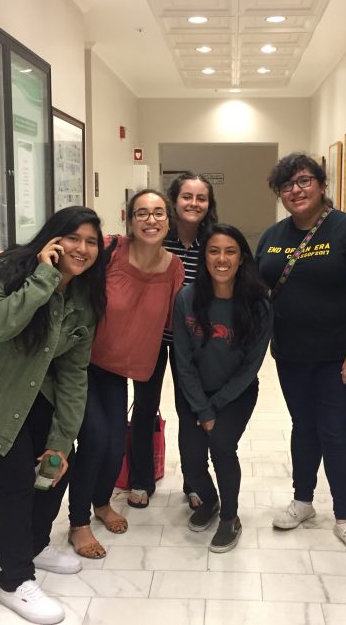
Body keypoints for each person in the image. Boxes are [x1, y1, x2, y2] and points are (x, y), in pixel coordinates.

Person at [0, 206, 106, 625]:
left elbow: (73, 372)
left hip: (30, 389)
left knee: (57, 463)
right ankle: (14, 580)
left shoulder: (84, 297)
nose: (82, 249)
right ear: (52, 239)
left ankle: (33, 544)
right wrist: (44, 277)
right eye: (74, 238)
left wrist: (62, 441)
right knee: (13, 481)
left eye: (92, 242)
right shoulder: (8, 270)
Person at [256, 152, 346, 558]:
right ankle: (304, 502)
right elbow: (258, 292)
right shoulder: (273, 236)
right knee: (303, 427)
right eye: (287, 185)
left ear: (322, 185)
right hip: (291, 355)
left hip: (337, 357)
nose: (296, 190)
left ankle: (345, 518)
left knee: (336, 431)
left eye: (304, 181)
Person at [67, 189, 184, 559]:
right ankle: (77, 523)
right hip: (82, 362)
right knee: (96, 440)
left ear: (169, 220)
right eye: (142, 213)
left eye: (159, 213)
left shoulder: (174, 267)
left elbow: (175, 324)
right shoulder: (109, 250)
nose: (151, 220)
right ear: (130, 220)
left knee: (117, 443)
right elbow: (63, 253)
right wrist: (13, 258)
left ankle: (101, 503)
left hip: (121, 369)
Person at [173, 224, 273, 552]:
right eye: (214, 251)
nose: (221, 258)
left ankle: (230, 517)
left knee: (221, 447)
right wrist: (202, 408)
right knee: (190, 462)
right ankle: (211, 500)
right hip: (195, 393)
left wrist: (216, 408)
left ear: (242, 258)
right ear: (204, 257)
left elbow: (251, 366)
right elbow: (182, 361)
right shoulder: (187, 298)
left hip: (237, 394)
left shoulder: (258, 304)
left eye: (230, 251)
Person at [127, 171, 217, 510]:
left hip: (192, 341)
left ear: (208, 205)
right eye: (186, 197)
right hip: (150, 337)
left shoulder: (212, 241)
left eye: (201, 198)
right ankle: (141, 480)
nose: (193, 203)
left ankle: (194, 481)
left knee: (192, 409)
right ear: (173, 201)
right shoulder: (155, 237)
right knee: (145, 406)